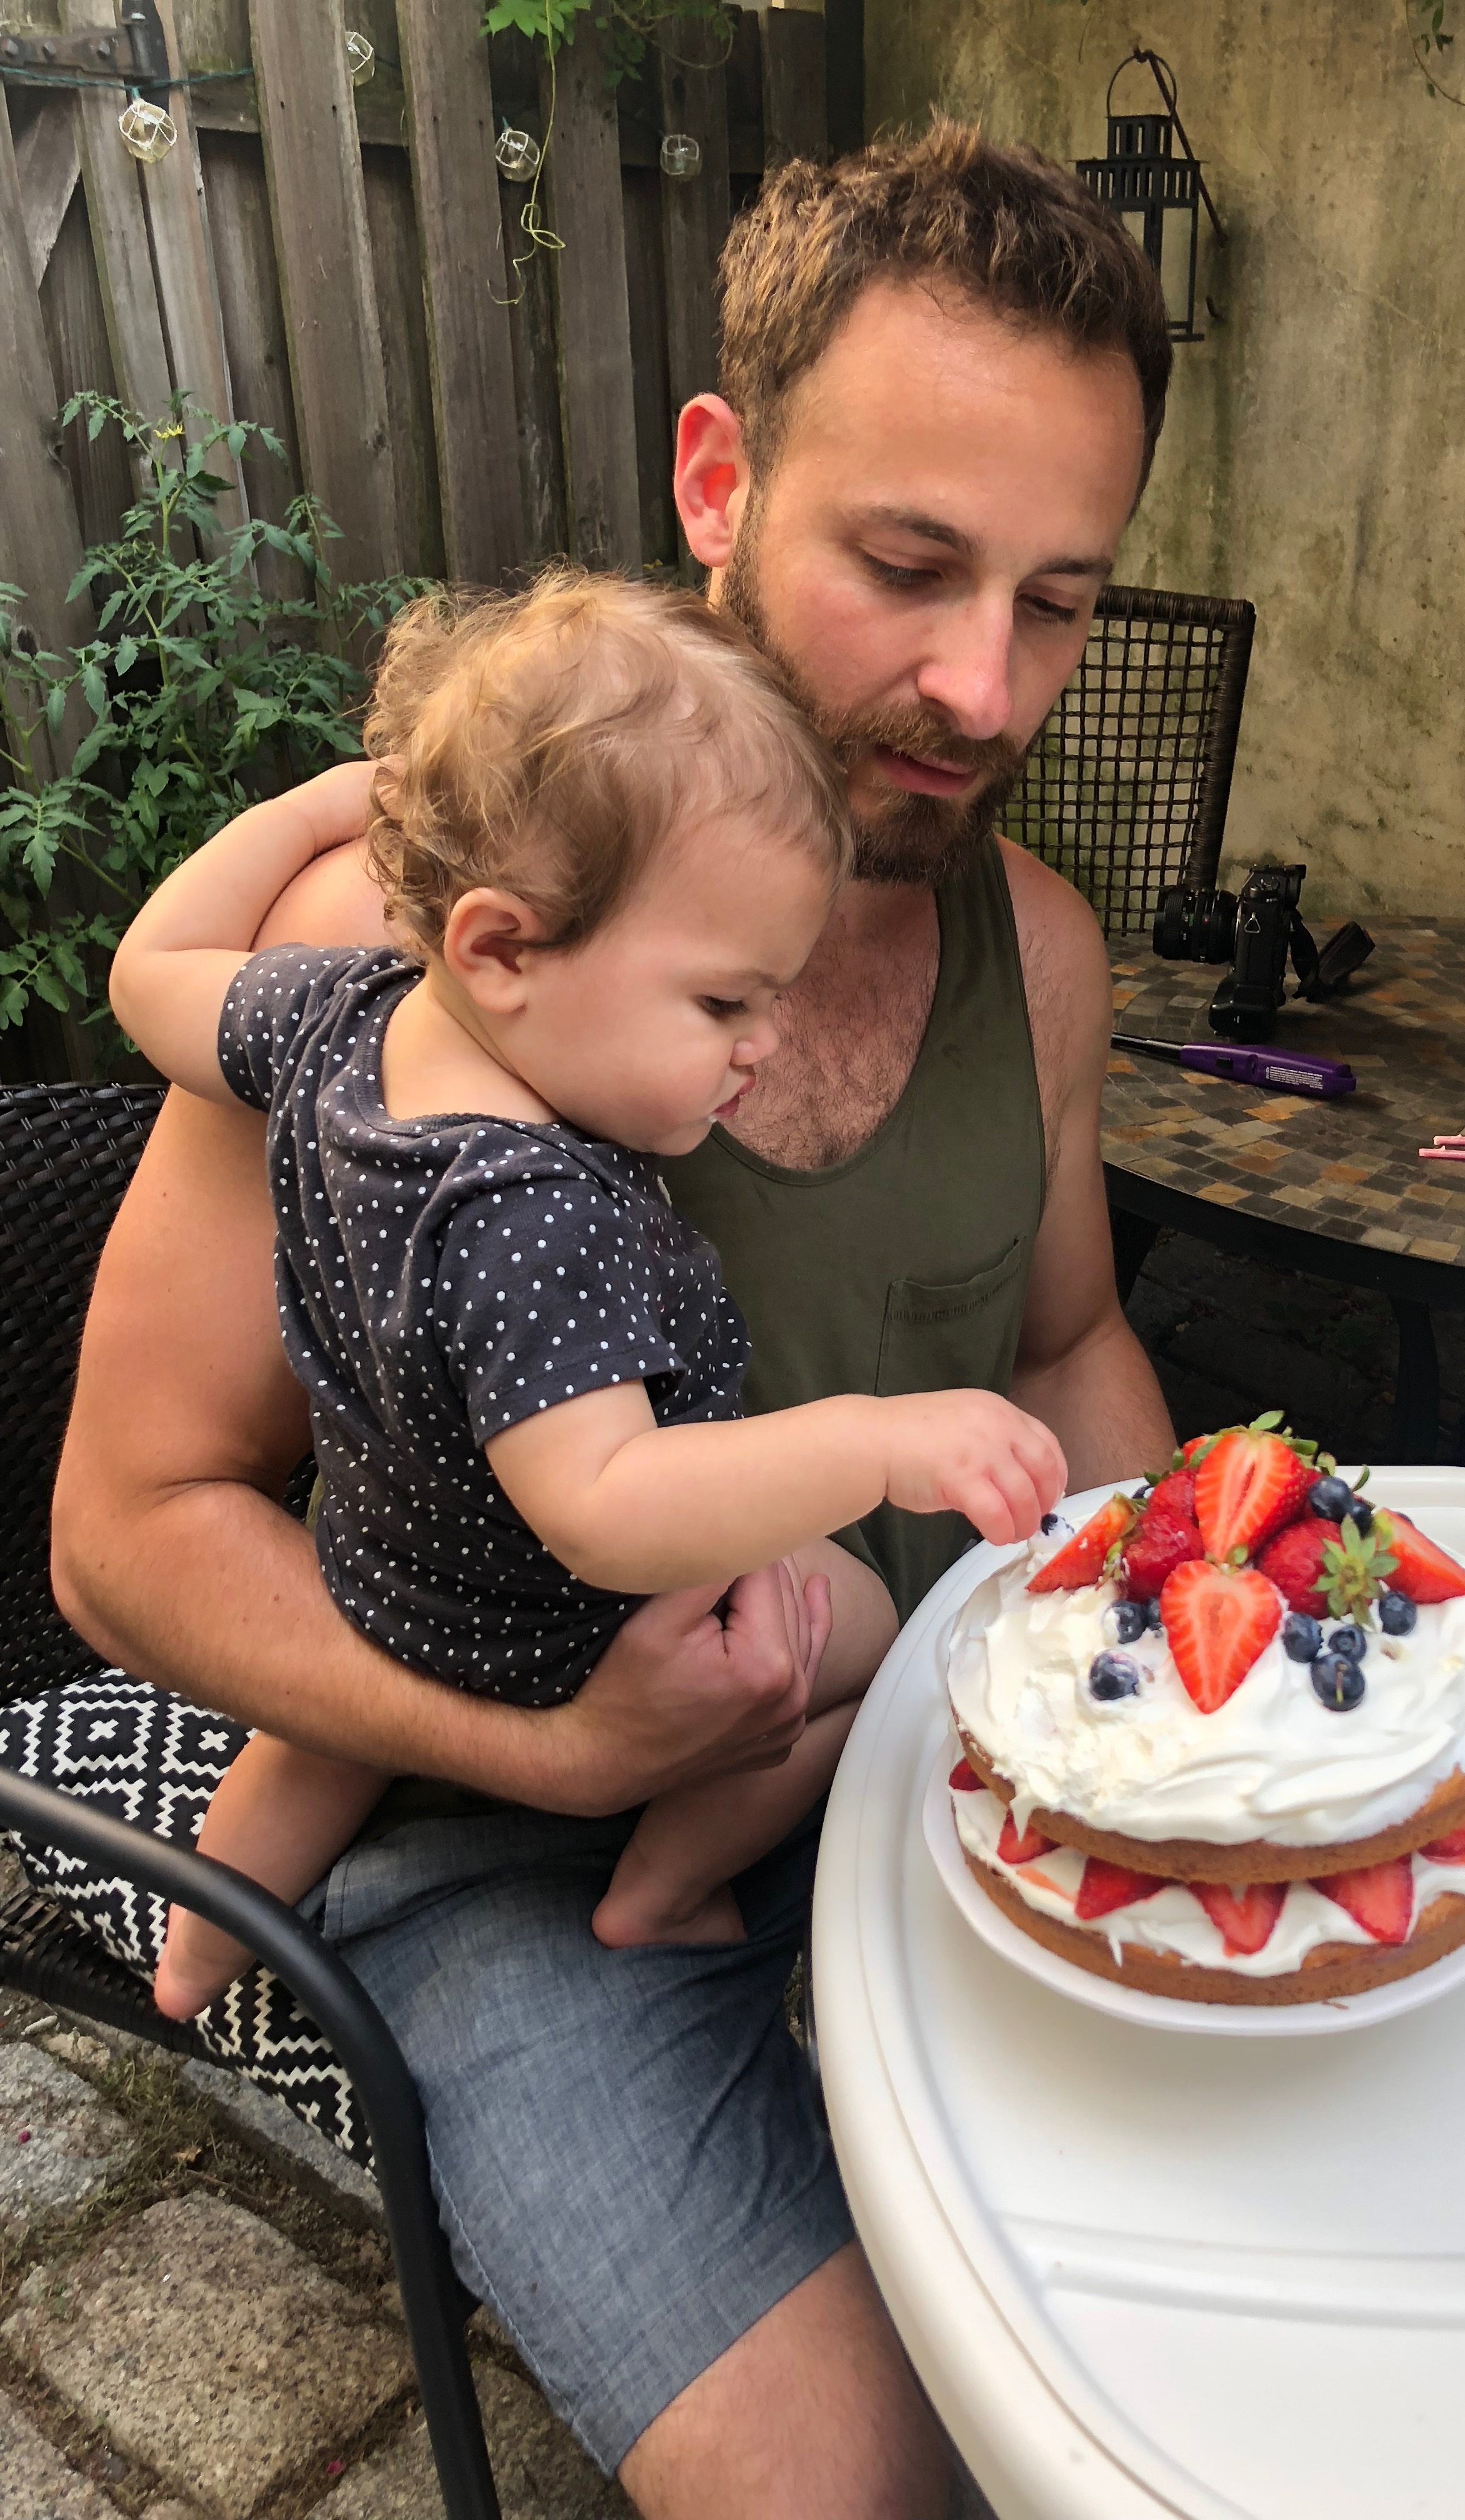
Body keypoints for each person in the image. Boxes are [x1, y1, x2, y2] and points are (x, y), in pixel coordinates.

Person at [46, 119, 1178, 2518]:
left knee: (1221, 2328)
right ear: (717, 479)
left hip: (908, 1760)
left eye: (1061, 601)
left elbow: (1068, 1352)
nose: (985, 685)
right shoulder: (423, 944)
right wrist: (545, 1752)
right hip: (513, 1866)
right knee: (882, 2489)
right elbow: (123, 1529)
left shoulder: (1037, 952)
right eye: (906, 563)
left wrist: (1181, 1636)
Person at [107, 572, 1063, 2020]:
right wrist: (879, 1440)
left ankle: (191, 1966)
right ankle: (663, 1892)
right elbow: (607, 1510)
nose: (760, 1047)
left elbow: (145, 975)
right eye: (723, 1004)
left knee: (319, 1741)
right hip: (556, 1631)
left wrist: (314, 809)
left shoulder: (328, 1012)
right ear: (501, 949)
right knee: (873, 1635)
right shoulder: (532, 1210)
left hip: (377, 1565)